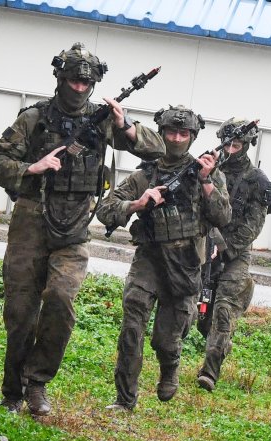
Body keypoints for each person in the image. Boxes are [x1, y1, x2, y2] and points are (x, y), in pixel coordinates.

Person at [0, 43, 165, 415]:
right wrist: (30, 168)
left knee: (61, 301)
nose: (78, 88)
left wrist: (125, 127)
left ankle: (37, 385)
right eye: (71, 80)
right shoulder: (34, 119)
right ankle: (11, 391)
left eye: (86, 82)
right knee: (20, 311)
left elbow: (156, 150)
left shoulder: (103, 124)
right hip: (31, 221)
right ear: (59, 79)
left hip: (75, 228)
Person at [97, 105, 231, 410]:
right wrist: (137, 204)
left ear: (193, 136)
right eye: (171, 131)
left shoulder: (206, 173)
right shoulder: (146, 174)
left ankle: (169, 367)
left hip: (185, 262)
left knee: (167, 338)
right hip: (150, 259)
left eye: (184, 133)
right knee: (132, 326)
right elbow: (106, 209)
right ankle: (124, 400)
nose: (177, 138)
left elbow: (223, 216)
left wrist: (207, 181)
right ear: (162, 133)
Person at [196, 118, 271, 392]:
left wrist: (226, 249)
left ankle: (209, 371)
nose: (231, 149)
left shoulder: (257, 181)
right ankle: (219, 342)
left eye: (237, 144)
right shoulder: (205, 170)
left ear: (247, 145)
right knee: (200, 318)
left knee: (223, 309)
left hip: (235, 255)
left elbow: (254, 225)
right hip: (201, 249)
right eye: (227, 143)